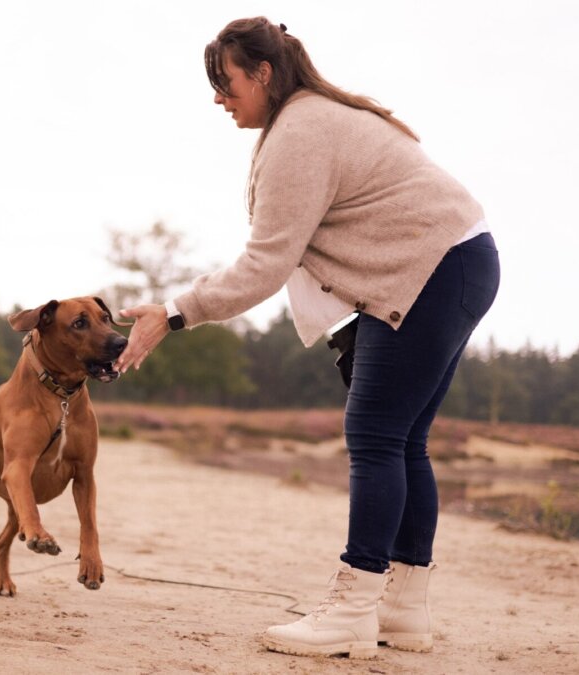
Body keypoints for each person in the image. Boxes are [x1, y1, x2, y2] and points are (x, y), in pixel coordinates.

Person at [115, 16, 500, 660]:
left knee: (376, 437)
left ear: (263, 74)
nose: (218, 98)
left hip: (430, 270)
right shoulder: (308, 120)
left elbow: (267, 263)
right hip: (456, 261)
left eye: (226, 82)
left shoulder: (300, 130)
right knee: (403, 441)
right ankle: (401, 610)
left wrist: (174, 311)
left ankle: (353, 610)